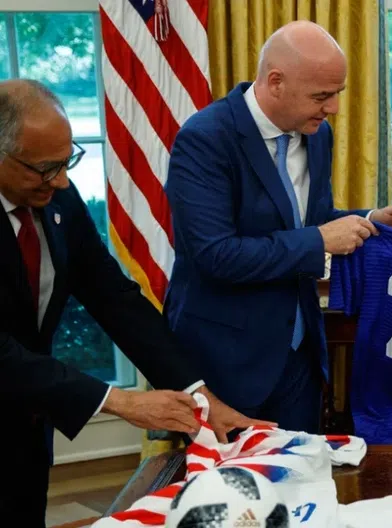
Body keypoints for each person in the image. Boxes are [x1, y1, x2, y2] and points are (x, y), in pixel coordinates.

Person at [0, 79, 264, 526]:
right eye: (44, 168)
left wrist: (197, 393)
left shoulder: (57, 197)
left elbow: (113, 297)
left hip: (26, 430)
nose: (61, 181)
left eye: (66, 162)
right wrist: (119, 401)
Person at [164, 21, 392, 434]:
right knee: (236, 477)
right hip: (227, 363)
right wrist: (321, 240)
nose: (333, 108)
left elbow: (307, 218)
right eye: (322, 96)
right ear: (276, 82)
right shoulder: (205, 139)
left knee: (304, 471)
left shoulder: (317, 134)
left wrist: (370, 220)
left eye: (337, 94)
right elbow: (216, 254)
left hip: (300, 355)